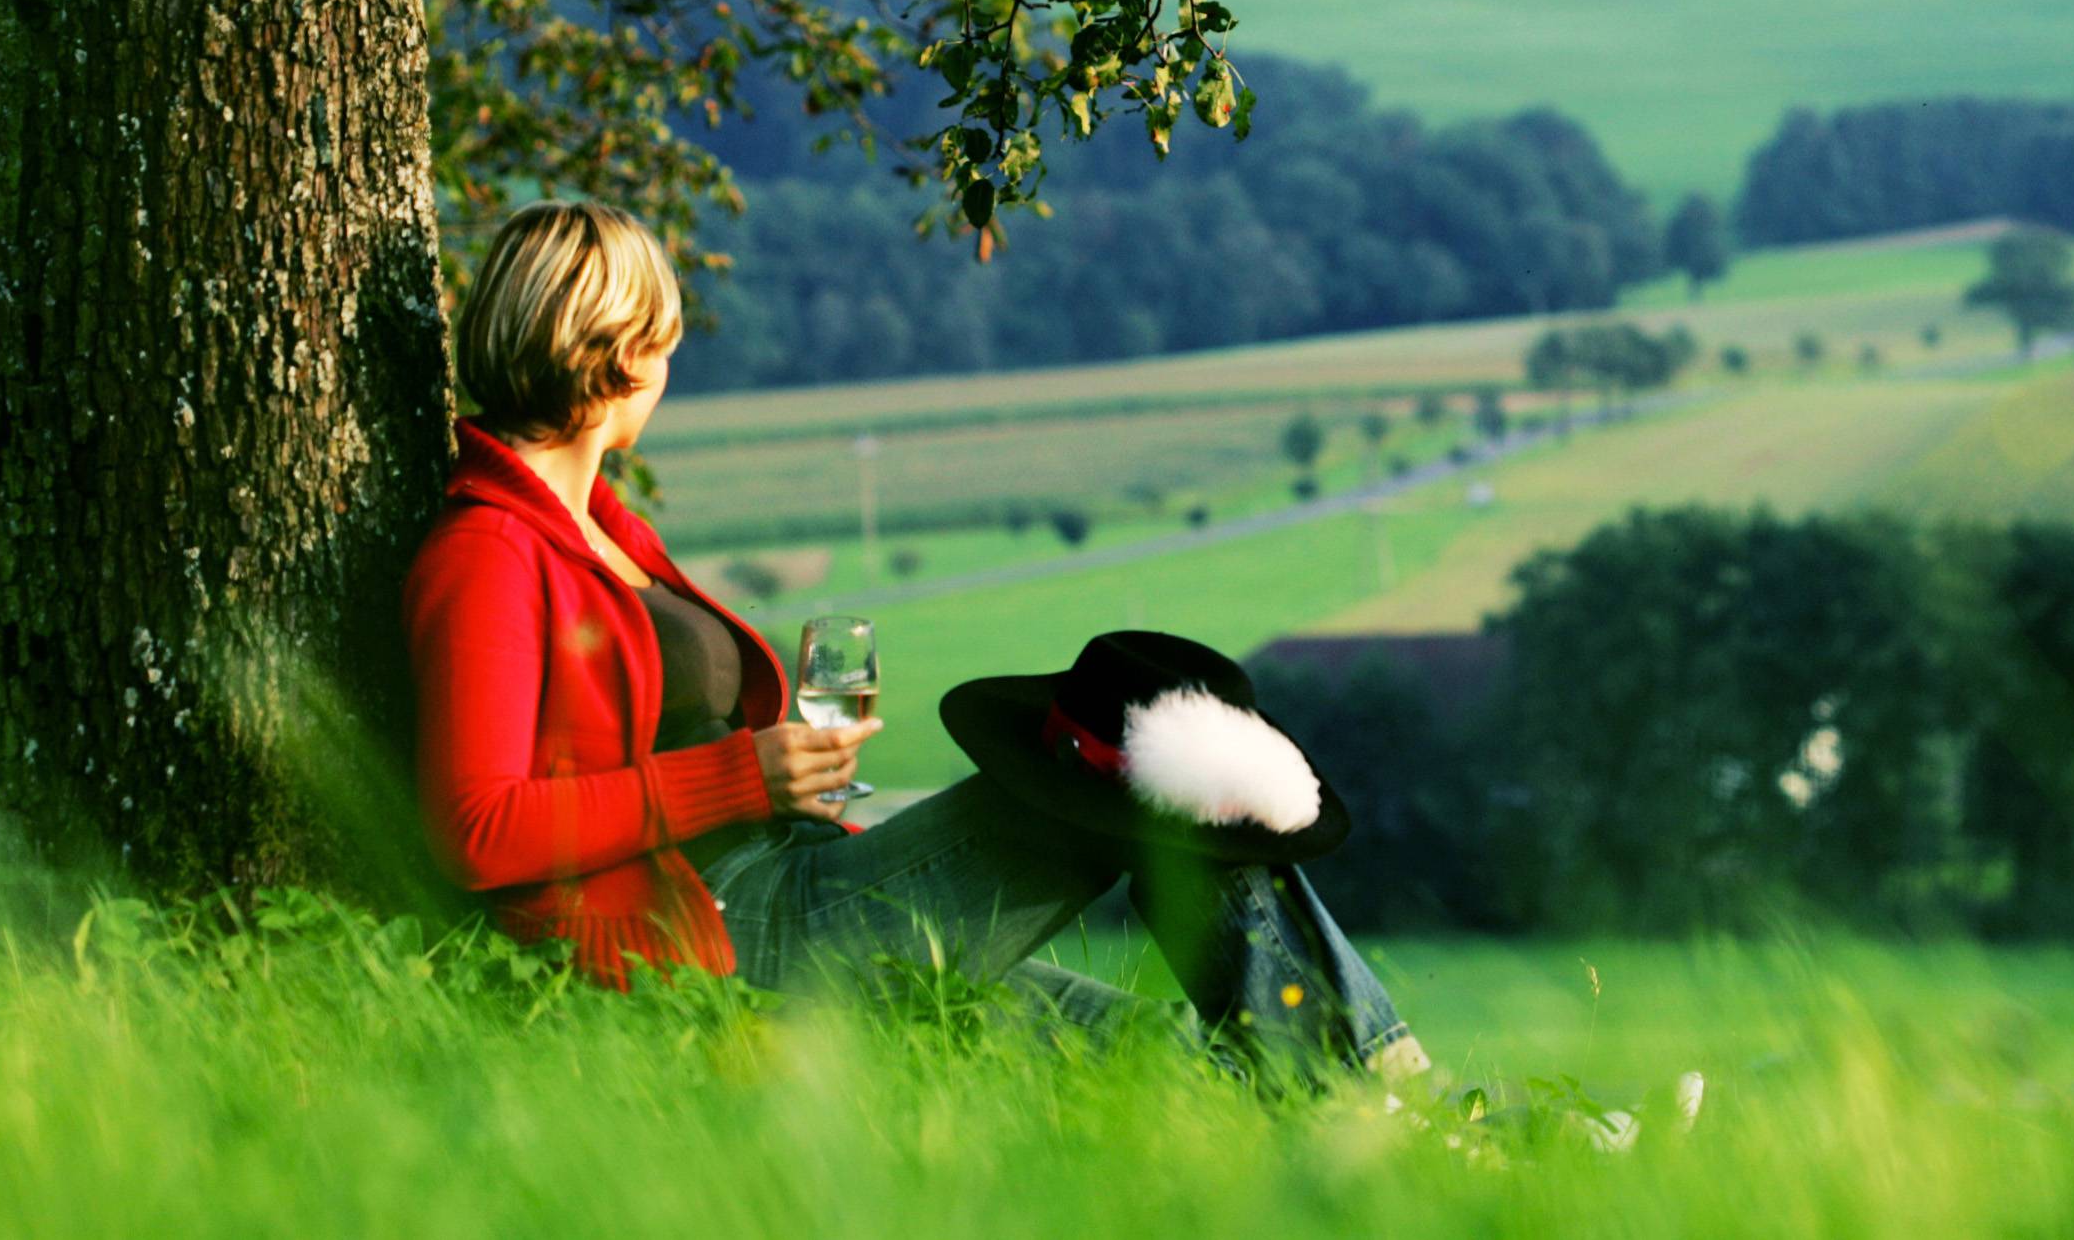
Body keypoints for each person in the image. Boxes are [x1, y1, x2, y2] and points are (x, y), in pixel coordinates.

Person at [403, 199, 1433, 1094]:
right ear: (624, 351)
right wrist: (740, 776)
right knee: (1140, 776)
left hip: (789, 879)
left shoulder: (600, 530)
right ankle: (1404, 1091)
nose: (670, 366)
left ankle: (1426, 1121)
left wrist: (785, 781)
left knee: (1149, 1061)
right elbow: (475, 827)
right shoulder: (488, 551)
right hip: (733, 936)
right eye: (667, 340)